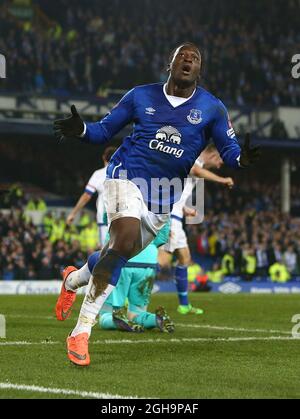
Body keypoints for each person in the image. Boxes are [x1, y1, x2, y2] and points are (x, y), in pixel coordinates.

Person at [54, 42, 260, 366]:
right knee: (121, 242)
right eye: (183, 56)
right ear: (171, 62)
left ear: (199, 70)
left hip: (163, 198)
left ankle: (71, 281)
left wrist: (242, 159)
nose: (188, 60)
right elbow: (103, 131)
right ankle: (81, 332)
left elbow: (230, 151)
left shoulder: (212, 108)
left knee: (115, 254)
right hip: (126, 177)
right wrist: (81, 129)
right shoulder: (141, 95)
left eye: (195, 58)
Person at [56, 223, 175, 334]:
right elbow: (163, 233)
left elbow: (109, 222)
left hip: (121, 256)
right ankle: (156, 319)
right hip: (148, 260)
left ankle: (116, 320)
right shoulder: (159, 201)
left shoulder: (125, 200)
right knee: (137, 312)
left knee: (105, 314)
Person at [158, 145, 234, 315]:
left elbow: (177, 190)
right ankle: (129, 296)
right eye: (221, 159)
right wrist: (222, 180)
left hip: (174, 214)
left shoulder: (192, 162)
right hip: (169, 217)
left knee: (184, 258)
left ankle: (184, 305)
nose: (221, 163)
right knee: (160, 261)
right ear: (213, 154)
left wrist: (185, 209)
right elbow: (196, 171)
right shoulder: (193, 159)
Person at [66, 147, 117, 247]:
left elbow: (86, 195)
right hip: (123, 218)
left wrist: (73, 213)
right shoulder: (125, 173)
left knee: (106, 254)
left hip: (105, 218)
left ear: (103, 157)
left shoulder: (99, 174)